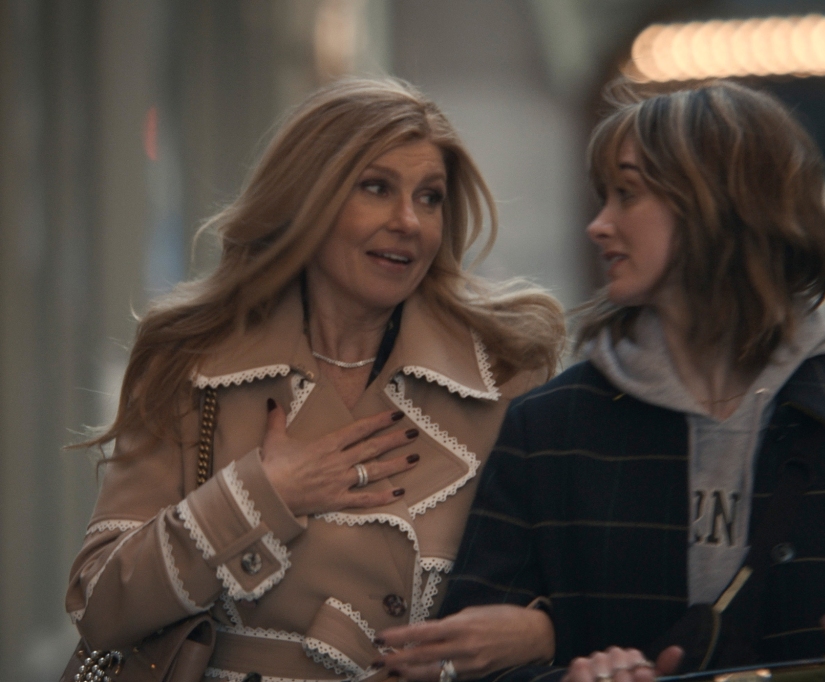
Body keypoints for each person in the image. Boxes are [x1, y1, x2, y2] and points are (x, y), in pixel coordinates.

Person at [379, 81, 825, 682]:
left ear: (722, 204)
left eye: (628, 194)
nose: (599, 225)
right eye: (604, 197)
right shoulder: (550, 428)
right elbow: (467, 666)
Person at [64, 77, 564, 681]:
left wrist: (541, 632)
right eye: (376, 188)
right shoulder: (191, 360)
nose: (409, 221)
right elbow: (98, 604)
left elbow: (572, 592)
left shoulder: (506, 372)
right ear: (309, 199)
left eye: (429, 197)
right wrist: (261, 496)